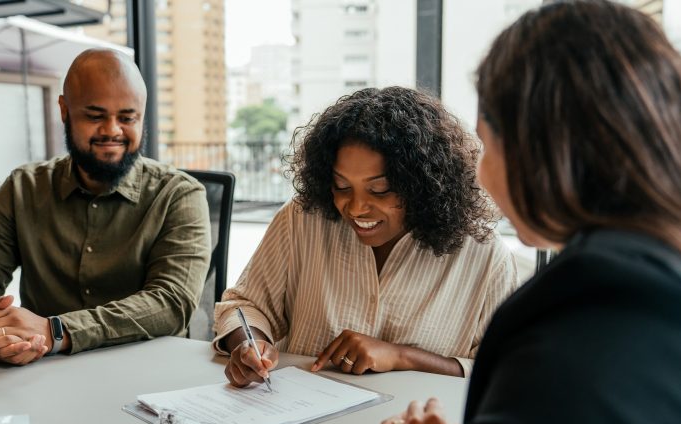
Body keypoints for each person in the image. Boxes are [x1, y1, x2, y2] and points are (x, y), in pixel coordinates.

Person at [375, 1, 681, 424]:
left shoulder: (578, 313)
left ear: (535, 151)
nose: (482, 178)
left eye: (486, 147)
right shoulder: (665, 273)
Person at [212, 86, 519, 387]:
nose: (356, 207)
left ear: (424, 186)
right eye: (342, 186)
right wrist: (249, 344)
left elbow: (507, 370)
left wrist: (403, 357)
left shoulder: (484, 255)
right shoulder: (301, 220)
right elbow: (245, 304)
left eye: (379, 190)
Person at [0, 48, 211, 365]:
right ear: (64, 110)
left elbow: (171, 303)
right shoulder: (24, 188)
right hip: (43, 374)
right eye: (95, 116)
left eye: (127, 117)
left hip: (150, 378)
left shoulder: (179, 195)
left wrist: (56, 332)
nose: (112, 130)